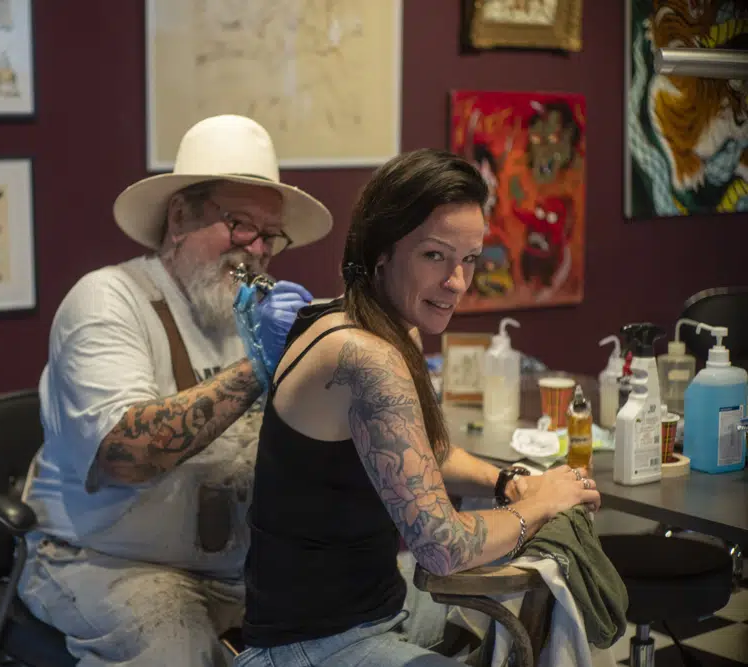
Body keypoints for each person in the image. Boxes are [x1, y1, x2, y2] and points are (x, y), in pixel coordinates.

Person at [237, 148, 602, 666]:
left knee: (537, 592)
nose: (456, 282)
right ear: (382, 251)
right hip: (311, 647)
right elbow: (442, 548)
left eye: (469, 260)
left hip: (373, 610)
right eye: (435, 256)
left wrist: (508, 483)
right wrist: (541, 501)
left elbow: (421, 451)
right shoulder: (365, 355)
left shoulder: (364, 318)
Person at [15, 114, 334, 666]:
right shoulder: (107, 300)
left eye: (270, 235)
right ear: (180, 216)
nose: (257, 250)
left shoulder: (253, 313)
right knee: (175, 644)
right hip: (105, 560)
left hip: (234, 566)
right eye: (239, 225)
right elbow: (124, 454)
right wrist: (259, 370)